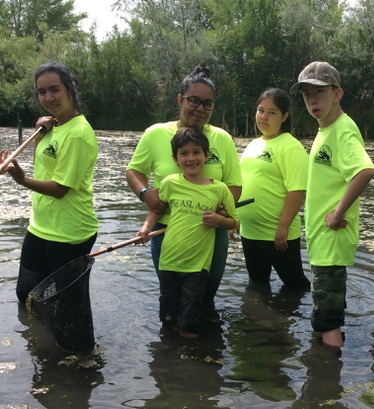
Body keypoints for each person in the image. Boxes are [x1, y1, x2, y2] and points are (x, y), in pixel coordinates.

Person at [126, 64, 241, 306]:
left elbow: (234, 184)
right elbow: (134, 171)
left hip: (210, 235)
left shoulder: (222, 138)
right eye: (194, 101)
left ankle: (201, 341)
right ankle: (173, 340)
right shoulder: (155, 134)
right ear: (180, 99)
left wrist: (222, 209)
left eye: (207, 103)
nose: (200, 109)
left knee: (204, 298)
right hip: (167, 232)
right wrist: (145, 194)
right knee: (172, 297)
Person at [0, 62, 99, 303]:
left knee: (69, 303)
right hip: (41, 225)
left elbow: (60, 189)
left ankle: (67, 341)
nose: (48, 97)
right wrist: (38, 137)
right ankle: (35, 339)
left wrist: (21, 180)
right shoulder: (52, 127)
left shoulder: (78, 133)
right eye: (41, 92)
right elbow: (44, 168)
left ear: (71, 89)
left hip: (69, 232)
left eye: (55, 89)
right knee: (26, 292)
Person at [290, 61, 374, 348]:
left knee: (328, 319)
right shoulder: (325, 129)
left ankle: (327, 383)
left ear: (337, 94)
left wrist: (338, 212)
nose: (312, 100)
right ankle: (326, 372)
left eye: (319, 92)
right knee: (325, 312)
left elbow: (365, 170)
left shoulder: (342, 130)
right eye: (306, 94)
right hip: (321, 241)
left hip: (331, 241)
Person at [136, 128, 238, 338]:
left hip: (197, 267)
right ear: (175, 158)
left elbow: (233, 222)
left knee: (189, 327)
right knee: (168, 322)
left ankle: (190, 363)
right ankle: (170, 363)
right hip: (169, 262)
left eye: (196, 152)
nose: (191, 158)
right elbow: (157, 209)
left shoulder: (219, 190)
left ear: (207, 155)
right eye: (184, 153)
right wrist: (146, 228)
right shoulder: (170, 183)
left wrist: (219, 220)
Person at [237, 88, 310, 290]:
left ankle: (297, 320)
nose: (264, 117)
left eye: (272, 113)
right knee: (257, 284)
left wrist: (283, 226)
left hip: (277, 235)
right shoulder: (253, 145)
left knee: (296, 285)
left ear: (284, 116)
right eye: (261, 110)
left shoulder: (290, 146)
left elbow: (296, 190)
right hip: (250, 232)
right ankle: (264, 320)